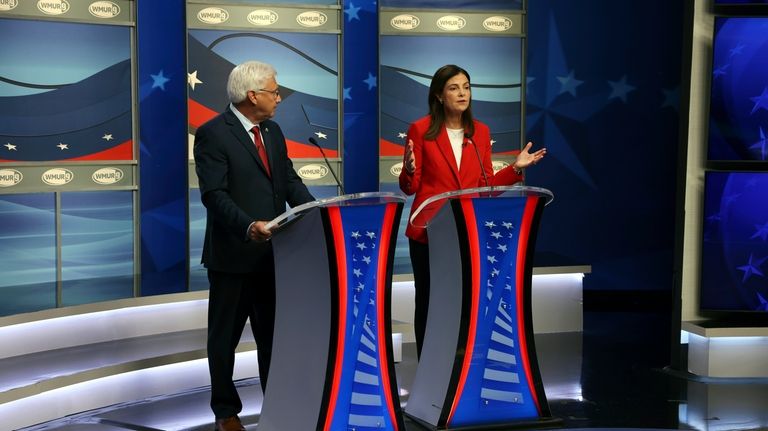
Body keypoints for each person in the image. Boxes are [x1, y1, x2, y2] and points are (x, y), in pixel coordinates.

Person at [194, 61, 314, 431]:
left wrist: (315, 211)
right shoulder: (213, 133)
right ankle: (225, 413)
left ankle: (277, 402)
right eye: (274, 91)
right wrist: (248, 226)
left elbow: (289, 180)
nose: (279, 97)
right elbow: (214, 195)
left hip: (274, 256)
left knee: (274, 338)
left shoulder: (273, 132)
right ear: (253, 95)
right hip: (233, 257)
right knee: (223, 340)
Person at [399, 64, 546, 359]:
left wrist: (516, 167)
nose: (462, 93)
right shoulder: (421, 130)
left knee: (463, 300)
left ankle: (458, 363)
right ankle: (428, 362)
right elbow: (409, 187)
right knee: (428, 301)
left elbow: (484, 186)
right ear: (440, 95)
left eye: (466, 86)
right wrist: (409, 169)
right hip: (428, 233)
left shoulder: (480, 133)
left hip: (464, 232)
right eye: (454, 88)